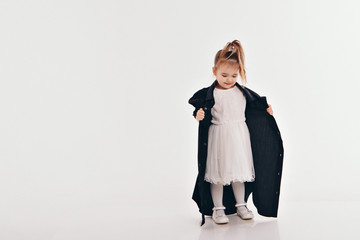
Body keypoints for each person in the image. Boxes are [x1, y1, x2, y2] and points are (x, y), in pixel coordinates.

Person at [189, 40, 279, 225]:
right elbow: (201, 110)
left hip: (239, 137)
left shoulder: (242, 93)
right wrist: (198, 115)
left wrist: (266, 111)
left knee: (239, 172)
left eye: (233, 75)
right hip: (219, 136)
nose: (229, 79)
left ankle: (241, 205)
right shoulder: (210, 94)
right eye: (224, 75)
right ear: (214, 71)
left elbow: (255, 106)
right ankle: (218, 208)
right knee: (218, 174)